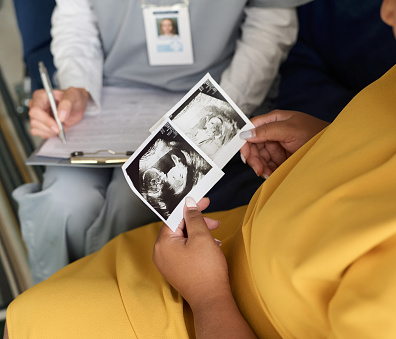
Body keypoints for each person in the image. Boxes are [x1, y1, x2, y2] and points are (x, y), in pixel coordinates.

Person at [5, 0, 396, 337]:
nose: (386, 9)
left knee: (102, 230)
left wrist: (208, 297)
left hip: (208, 297)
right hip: (206, 251)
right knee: (62, 220)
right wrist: (332, 148)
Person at [12, 0, 310, 283]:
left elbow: (270, 23)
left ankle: (100, 311)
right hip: (106, 93)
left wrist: (218, 107)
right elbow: (76, 18)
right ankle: (59, 307)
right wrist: (78, 87)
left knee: (135, 204)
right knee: (61, 202)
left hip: (213, 92)